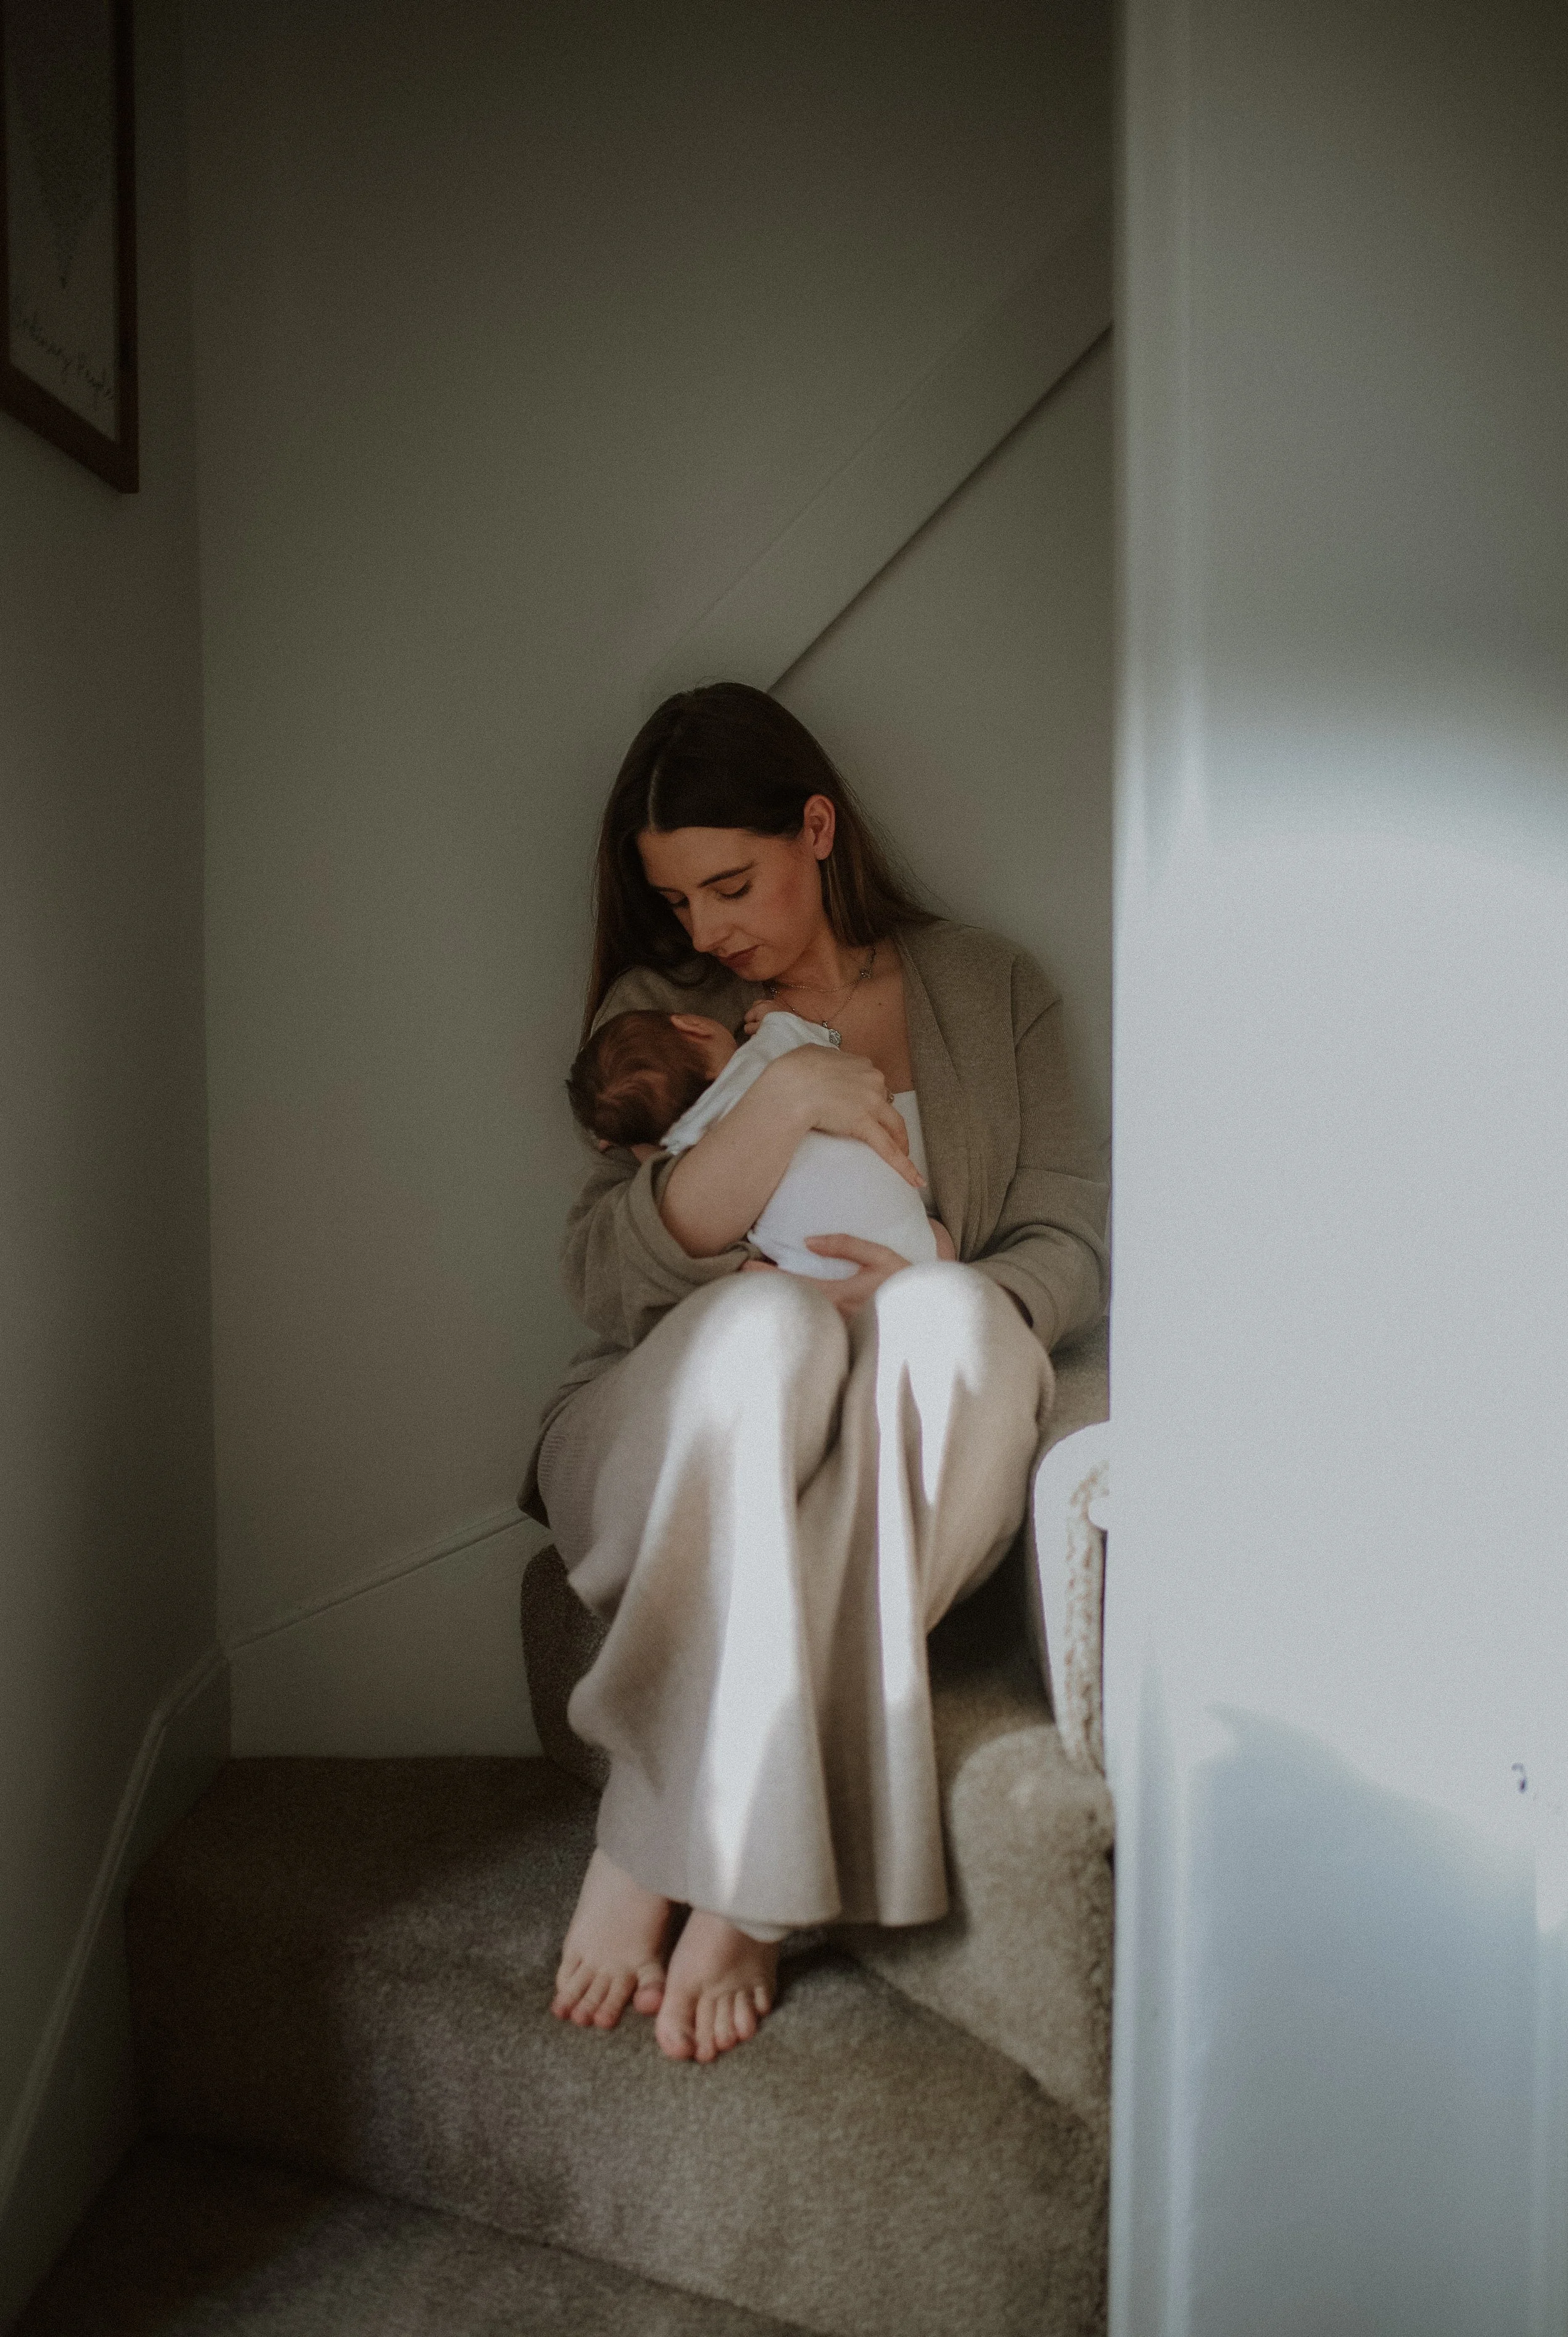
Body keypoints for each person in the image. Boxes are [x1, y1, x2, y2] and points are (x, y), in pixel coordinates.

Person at [517, 681, 1108, 2065]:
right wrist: (783, 1099)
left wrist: (933, 1285)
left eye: (730, 885)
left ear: (817, 830)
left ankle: (697, 1852)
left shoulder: (989, 986)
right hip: (691, 1424)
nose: (708, 931)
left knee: (963, 1325)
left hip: (907, 1439)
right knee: (772, 1334)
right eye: (678, 904)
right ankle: (699, 1852)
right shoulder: (665, 1015)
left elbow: (1073, 1236)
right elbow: (602, 1276)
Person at [564, 1002, 940, 1279]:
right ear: (693, 1026)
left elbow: (662, 1176)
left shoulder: (691, 1144)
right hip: (913, 1238)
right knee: (937, 1241)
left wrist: (628, 1142)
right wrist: (777, 1016)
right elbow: (823, 1044)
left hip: (815, 1269)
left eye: (733, 890)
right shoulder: (773, 1043)